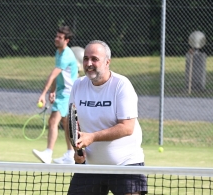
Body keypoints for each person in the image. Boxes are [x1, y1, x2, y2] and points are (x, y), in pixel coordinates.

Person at [67, 40, 147, 194]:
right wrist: (77, 152)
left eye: (94, 59)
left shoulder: (121, 85)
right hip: (90, 167)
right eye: (86, 58)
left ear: (107, 62)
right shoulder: (78, 85)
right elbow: (73, 122)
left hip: (126, 165)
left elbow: (127, 127)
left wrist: (92, 137)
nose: (89, 63)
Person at [32, 26, 78, 164]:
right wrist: (53, 91)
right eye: (56, 36)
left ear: (67, 40)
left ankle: (48, 153)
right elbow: (59, 76)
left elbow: (53, 75)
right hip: (64, 92)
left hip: (67, 93)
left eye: (60, 37)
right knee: (65, 123)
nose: (56, 39)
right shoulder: (58, 52)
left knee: (53, 121)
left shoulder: (66, 55)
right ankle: (70, 155)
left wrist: (43, 94)